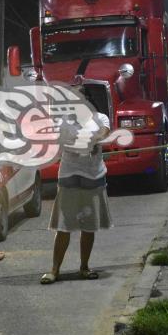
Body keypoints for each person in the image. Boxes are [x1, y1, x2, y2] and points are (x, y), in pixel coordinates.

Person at [40, 91, 112, 285]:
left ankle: (84, 267)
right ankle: (54, 270)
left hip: (94, 177)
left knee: (89, 226)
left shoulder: (101, 118)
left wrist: (85, 139)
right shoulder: (64, 120)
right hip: (69, 177)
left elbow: (102, 133)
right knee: (63, 226)